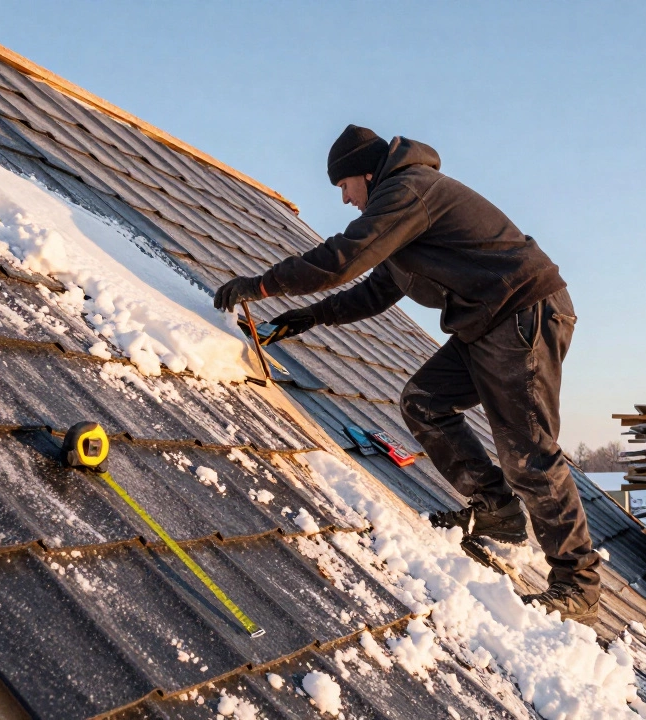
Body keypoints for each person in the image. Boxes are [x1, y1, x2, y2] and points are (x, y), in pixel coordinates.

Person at [213, 125, 602, 618]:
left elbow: (342, 258)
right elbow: (375, 290)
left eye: (344, 186)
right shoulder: (402, 213)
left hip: (522, 312)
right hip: (487, 321)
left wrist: (263, 285)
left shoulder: (409, 190)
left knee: (527, 449)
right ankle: (498, 513)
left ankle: (578, 581)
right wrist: (306, 317)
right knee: (425, 402)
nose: (345, 200)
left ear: (366, 173)